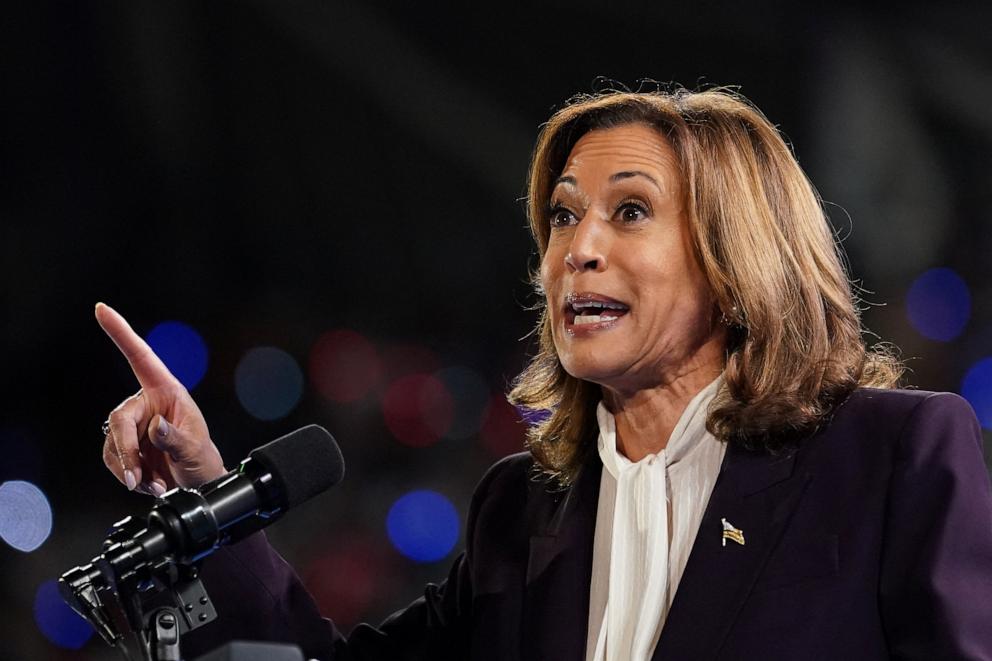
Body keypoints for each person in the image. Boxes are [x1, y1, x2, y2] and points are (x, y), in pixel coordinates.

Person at [96, 88, 992, 660]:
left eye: (629, 211)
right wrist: (203, 499)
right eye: (562, 218)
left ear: (735, 257)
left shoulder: (890, 457)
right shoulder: (520, 516)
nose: (578, 250)